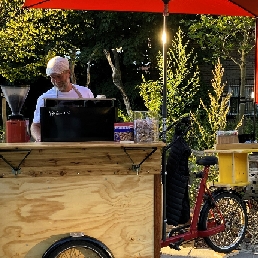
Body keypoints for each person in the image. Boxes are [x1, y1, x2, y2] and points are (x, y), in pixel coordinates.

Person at [31, 56, 94, 142]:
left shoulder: (86, 93)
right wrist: (39, 138)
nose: (56, 81)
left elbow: (94, 121)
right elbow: (35, 126)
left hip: (83, 144)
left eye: (59, 76)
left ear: (68, 73)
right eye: (52, 77)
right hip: (54, 146)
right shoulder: (44, 98)